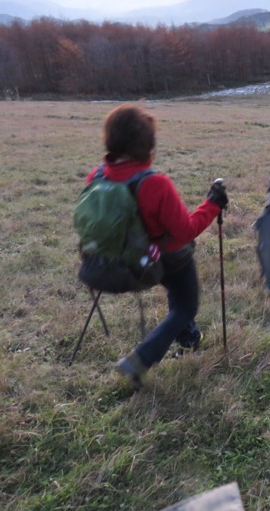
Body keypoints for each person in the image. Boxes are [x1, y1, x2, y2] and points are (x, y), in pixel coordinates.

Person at [87, 103, 229, 390]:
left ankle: (188, 338)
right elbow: (185, 231)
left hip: (122, 259)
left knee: (178, 288)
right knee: (186, 305)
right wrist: (213, 204)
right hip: (165, 257)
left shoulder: (96, 177)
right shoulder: (156, 184)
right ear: (147, 145)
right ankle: (140, 359)